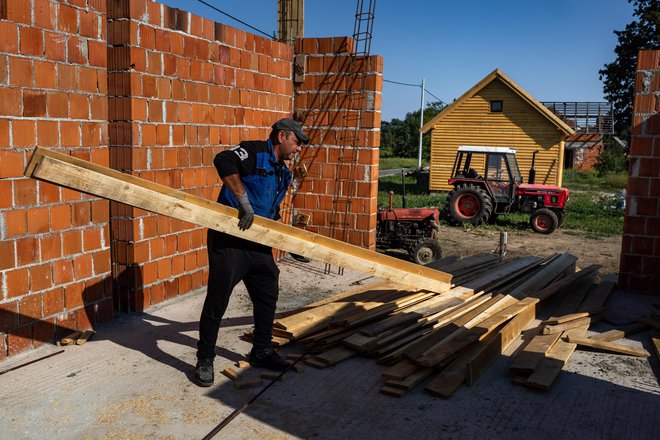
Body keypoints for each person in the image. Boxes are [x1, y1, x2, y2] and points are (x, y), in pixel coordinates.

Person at [194, 118, 309, 387]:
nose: (298, 149)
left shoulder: (284, 172)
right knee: (218, 299)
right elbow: (223, 160)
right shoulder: (254, 151)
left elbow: (272, 211)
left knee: (268, 291)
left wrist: (290, 241)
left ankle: (261, 350)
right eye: (296, 142)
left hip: (258, 245)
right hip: (230, 241)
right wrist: (242, 200)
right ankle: (205, 359)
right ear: (282, 136)